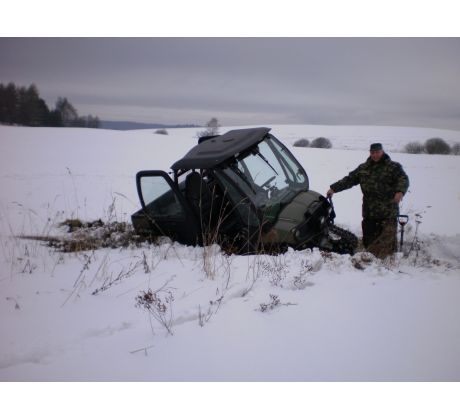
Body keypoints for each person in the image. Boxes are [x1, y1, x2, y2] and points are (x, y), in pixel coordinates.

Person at [326, 143, 409, 258]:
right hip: (369, 212)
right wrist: (333, 188)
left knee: (387, 246)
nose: (375, 155)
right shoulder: (364, 168)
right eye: (372, 152)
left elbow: (403, 179)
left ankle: (386, 267)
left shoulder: (393, 167)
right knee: (369, 243)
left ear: (382, 151)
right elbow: (349, 180)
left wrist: (400, 192)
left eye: (377, 152)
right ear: (370, 152)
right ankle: (369, 267)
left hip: (388, 212)